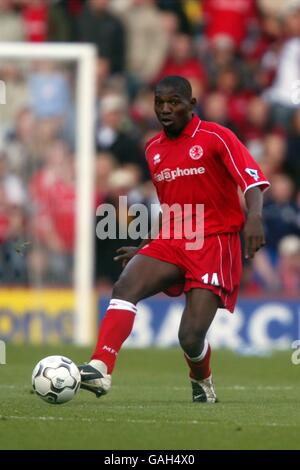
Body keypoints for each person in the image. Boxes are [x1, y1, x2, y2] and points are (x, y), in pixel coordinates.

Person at [79, 76, 270, 403]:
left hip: (214, 240)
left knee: (190, 336)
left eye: (174, 102)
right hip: (176, 235)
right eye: (159, 103)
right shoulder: (153, 149)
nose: (165, 109)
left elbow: (252, 182)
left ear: (191, 105)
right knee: (126, 285)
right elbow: (171, 206)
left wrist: (253, 217)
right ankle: (101, 367)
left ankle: (202, 381)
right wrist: (144, 246)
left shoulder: (216, 137)